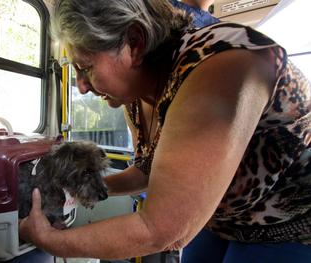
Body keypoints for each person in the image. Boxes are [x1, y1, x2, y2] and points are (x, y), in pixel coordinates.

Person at [19, 0, 311, 262]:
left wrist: (51, 241)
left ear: (134, 43)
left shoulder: (219, 66)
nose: (81, 85)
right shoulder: (134, 96)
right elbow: (147, 171)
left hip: (289, 224)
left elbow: (161, 230)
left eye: (86, 68)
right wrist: (87, 188)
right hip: (223, 219)